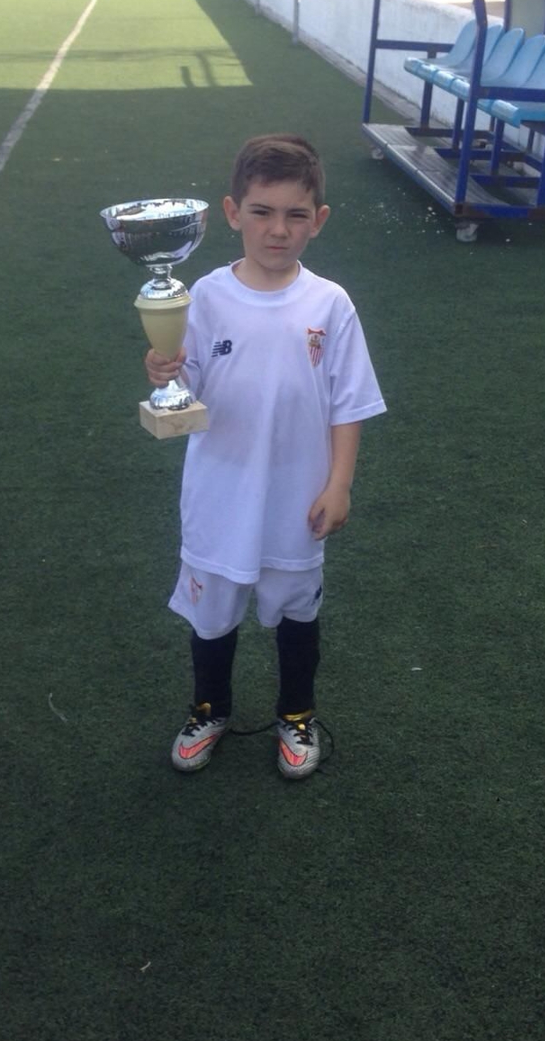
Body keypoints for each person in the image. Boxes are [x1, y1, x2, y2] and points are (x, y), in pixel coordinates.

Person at [144, 134, 386, 780]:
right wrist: (163, 368)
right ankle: (209, 708)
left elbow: (349, 403)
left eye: (295, 215)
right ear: (232, 212)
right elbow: (183, 385)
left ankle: (297, 714)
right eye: (262, 212)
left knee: (297, 610)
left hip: (296, 501)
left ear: (319, 220)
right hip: (219, 497)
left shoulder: (330, 304)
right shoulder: (205, 296)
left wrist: (340, 485)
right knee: (213, 613)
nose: (278, 230)